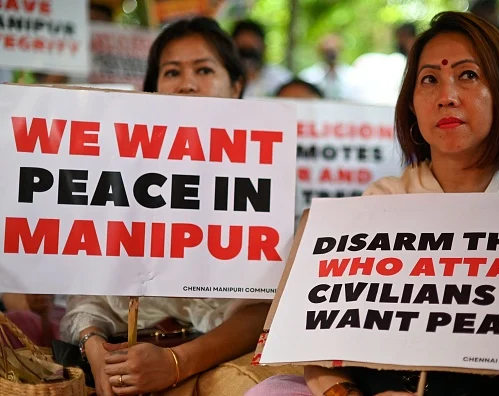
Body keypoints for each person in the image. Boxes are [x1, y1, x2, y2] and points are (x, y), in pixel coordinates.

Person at [245, 11, 499, 396]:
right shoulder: (381, 201)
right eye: (429, 79)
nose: (446, 97)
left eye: (468, 75)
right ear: (411, 104)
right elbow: (319, 348)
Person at [60, 17, 269, 396]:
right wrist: (95, 348)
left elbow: (261, 310)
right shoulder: (115, 173)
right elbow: (85, 298)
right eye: (172, 71)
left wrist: (176, 364)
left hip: (225, 370)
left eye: (204, 69)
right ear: (153, 87)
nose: (187, 84)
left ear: (236, 86)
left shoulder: (263, 176)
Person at [231, 19, 291, 98]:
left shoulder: (281, 79)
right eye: (242, 51)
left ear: (264, 47)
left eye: (252, 51)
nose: (248, 59)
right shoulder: (225, 80)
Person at [299, 34, 357, 100]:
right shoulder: (308, 77)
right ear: (320, 52)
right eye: (327, 51)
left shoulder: (351, 76)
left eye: (334, 50)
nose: (331, 55)